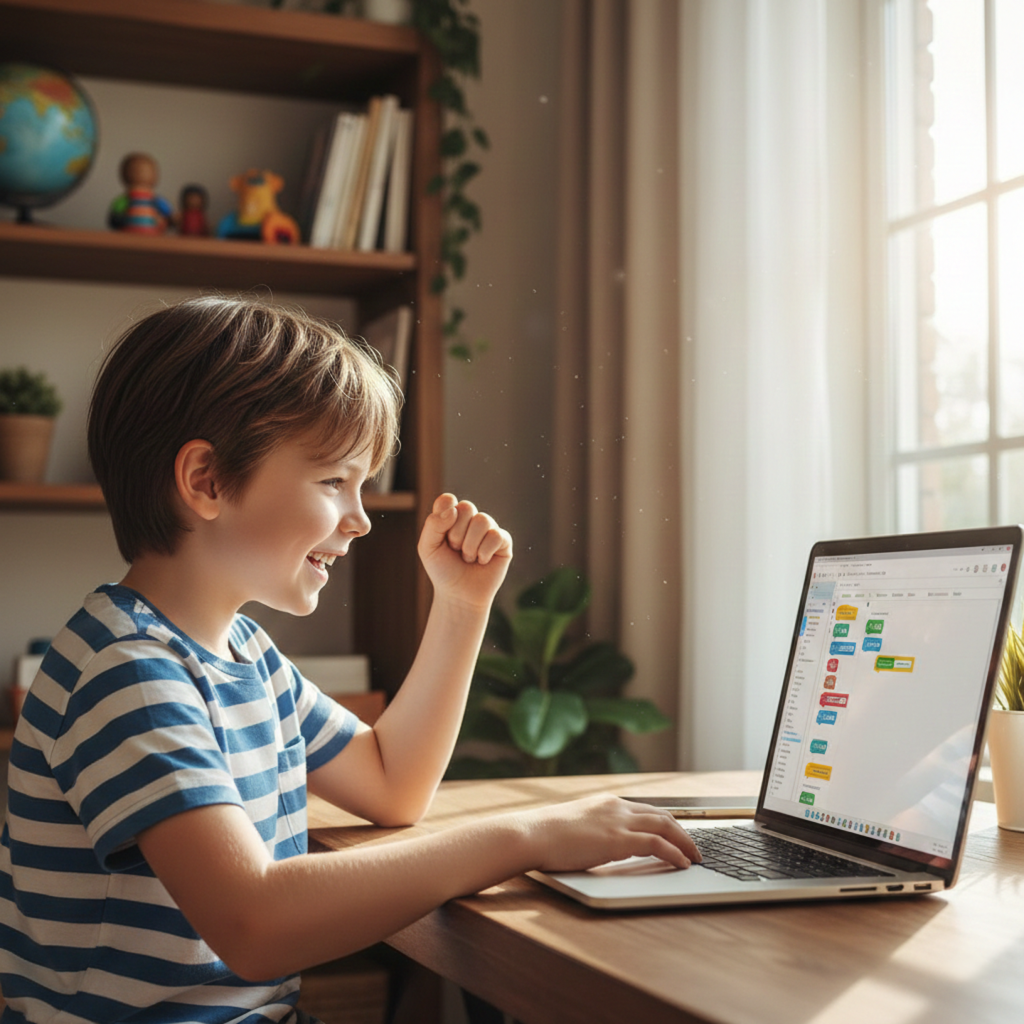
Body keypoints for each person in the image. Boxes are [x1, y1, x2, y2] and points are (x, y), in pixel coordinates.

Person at [0, 296, 699, 1024]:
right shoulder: (126, 672)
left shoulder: (244, 656)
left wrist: (460, 607)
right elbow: (255, 925)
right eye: (334, 481)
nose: (361, 518)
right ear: (206, 481)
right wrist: (524, 835)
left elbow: (394, 784)